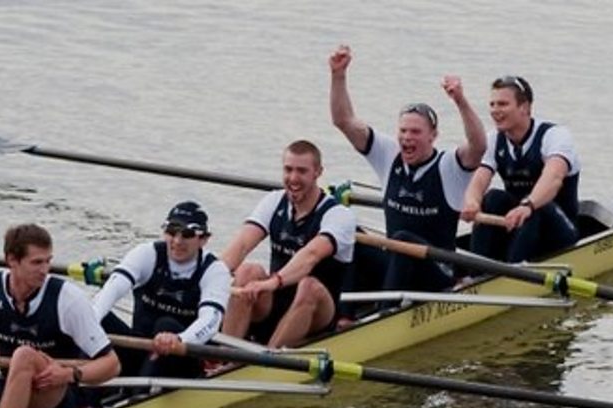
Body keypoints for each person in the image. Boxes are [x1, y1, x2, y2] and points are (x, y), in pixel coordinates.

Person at [329, 44, 486, 305]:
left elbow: (479, 146)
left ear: (433, 136)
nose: (406, 138)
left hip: (438, 272)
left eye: (415, 132)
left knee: (402, 242)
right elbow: (343, 121)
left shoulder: (449, 166)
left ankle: (384, 315)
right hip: (397, 263)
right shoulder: (388, 154)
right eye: (403, 131)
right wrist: (338, 76)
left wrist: (460, 100)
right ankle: (343, 315)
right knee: (349, 231)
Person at [0, 223, 120, 408]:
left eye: (48, 261)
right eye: (36, 263)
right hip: (11, 389)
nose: (45, 270)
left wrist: (69, 374)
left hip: (54, 400)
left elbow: (112, 364)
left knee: (24, 355)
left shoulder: (67, 299)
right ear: (12, 261)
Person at [220, 140, 357, 347]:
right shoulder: (274, 201)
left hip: (317, 312)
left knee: (308, 286)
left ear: (318, 172)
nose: (293, 178)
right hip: (275, 302)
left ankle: (267, 360)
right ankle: (224, 356)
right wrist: (210, 273)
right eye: (288, 169)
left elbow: (310, 256)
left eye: (302, 171)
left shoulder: (339, 215)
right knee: (248, 271)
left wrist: (272, 282)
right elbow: (242, 244)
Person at [92, 201, 231, 378]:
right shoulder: (146, 254)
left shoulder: (215, 271)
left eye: (187, 234)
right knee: (90, 317)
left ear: (203, 239)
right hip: (139, 349)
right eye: (172, 232)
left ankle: (139, 396)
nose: (177, 241)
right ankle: (84, 397)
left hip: (183, 357)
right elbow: (113, 289)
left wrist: (180, 340)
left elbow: (210, 321)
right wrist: (91, 321)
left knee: (165, 324)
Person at [462, 75, 581, 262]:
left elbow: (554, 177)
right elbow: (480, 178)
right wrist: (471, 202)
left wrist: (528, 205)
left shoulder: (554, 136)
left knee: (535, 208)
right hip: (518, 226)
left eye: (502, 104)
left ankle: (512, 271)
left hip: (560, 232)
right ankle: (476, 272)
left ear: (524, 107)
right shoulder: (494, 139)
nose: (495, 111)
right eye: (492, 104)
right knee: (492, 197)